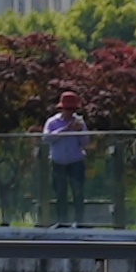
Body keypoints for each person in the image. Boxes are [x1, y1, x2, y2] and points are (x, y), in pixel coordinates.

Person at [46, 88, 91, 228]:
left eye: (72, 109)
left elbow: (86, 142)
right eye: (67, 109)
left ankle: (80, 221)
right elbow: (46, 138)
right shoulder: (52, 122)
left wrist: (79, 131)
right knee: (60, 192)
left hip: (76, 161)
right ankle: (62, 222)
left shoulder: (80, 123)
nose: (70, 112)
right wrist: (66, 129)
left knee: (78, 192)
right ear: (62, 109)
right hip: (58, 162)